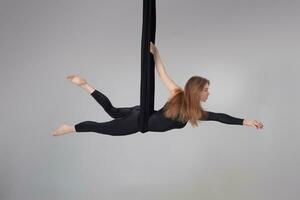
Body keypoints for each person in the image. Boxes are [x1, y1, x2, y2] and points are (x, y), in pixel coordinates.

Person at [52, 42, 263, 136]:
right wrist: (155, 52)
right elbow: (219, 117)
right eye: (206, 89)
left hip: (142, 113)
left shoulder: (179, 95)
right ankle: (69, 128)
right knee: (101, 127)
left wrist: (157, 54)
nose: (209, 93)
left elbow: (162, 74)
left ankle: (85, 85)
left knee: (113, 111)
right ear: (197, 91)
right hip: (139, 121)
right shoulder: (192, 111)